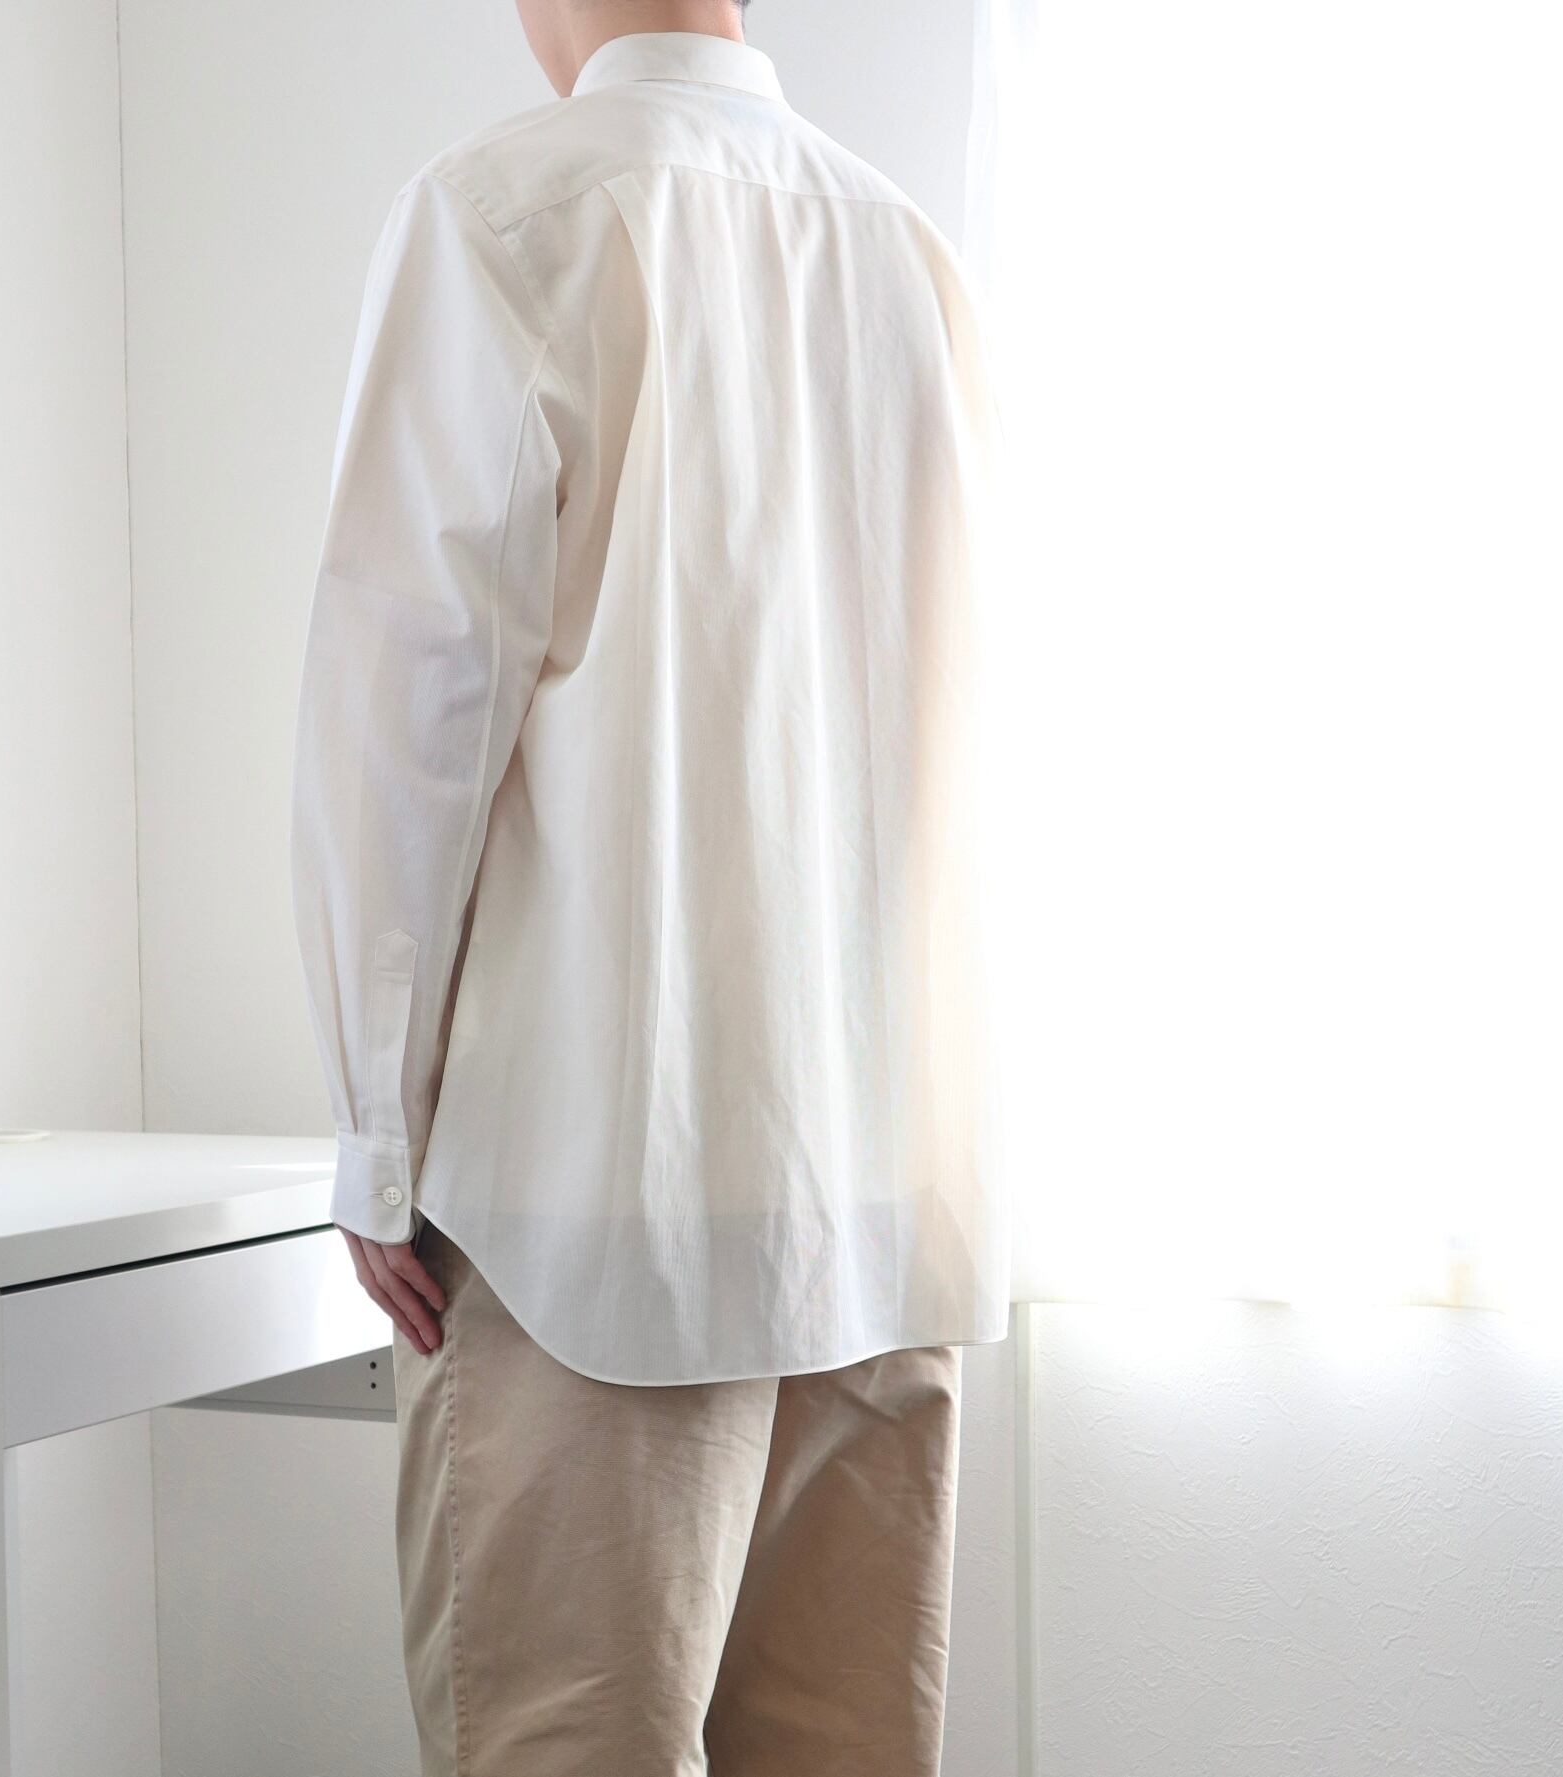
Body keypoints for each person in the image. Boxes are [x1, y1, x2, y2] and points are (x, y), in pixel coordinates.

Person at [288, 1, 1008, 1769]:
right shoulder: (900, 247)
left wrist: (378, 1137)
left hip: (593, 1213)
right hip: (874, 1195)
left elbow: (409, 721)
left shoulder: (505, 218)